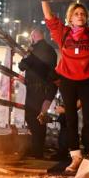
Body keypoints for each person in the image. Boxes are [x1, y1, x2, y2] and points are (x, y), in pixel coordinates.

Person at [36, 0, 89, 173]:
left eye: (82, 14)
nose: (79, 16)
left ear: (86, 18)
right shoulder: (62, 33)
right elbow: (49, 18)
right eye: (76, 14)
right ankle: (75, 158)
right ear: (70, 19)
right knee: (70, 119)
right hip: (68, 80)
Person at [18, 29, 58, 159]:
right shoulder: (51, 50)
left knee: (31, 117)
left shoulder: (33, 51)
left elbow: (22, 66)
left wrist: (26, 55)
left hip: (34, 90)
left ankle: (36, 151)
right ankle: (38, 151)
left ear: (34, 36)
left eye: (31, 37)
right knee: (40, 119)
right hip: (47, 88)